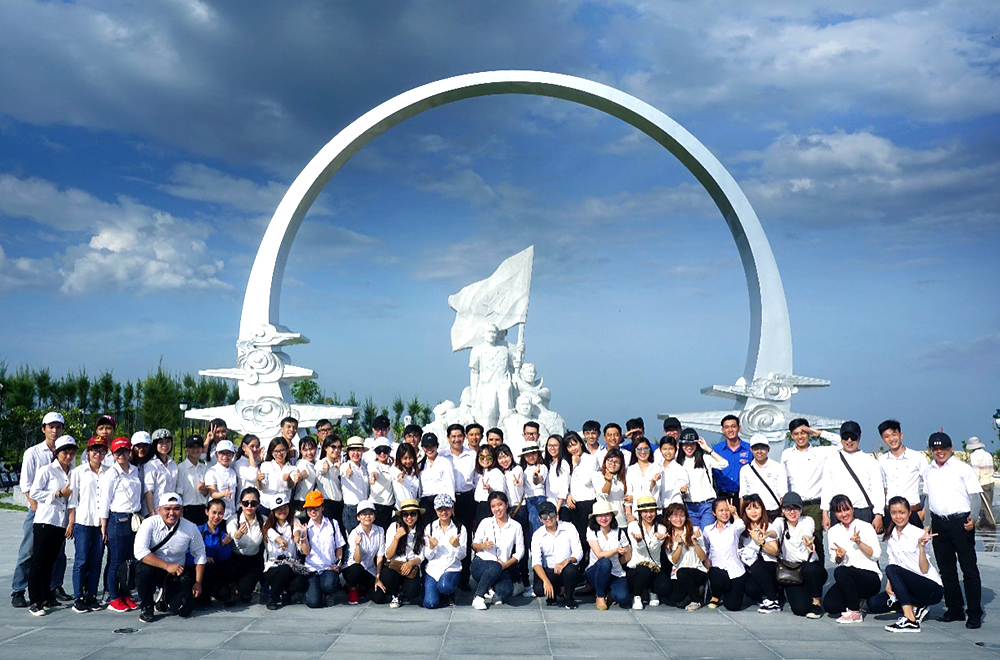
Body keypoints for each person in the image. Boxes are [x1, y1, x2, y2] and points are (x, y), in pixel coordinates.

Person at [925, 431, 983, 628]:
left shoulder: (962, 468)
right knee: (946, 569)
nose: (939, 452)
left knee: (969, 569)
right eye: (935, 448)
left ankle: (974, 612)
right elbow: (928, 498)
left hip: (961, 523)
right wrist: (928, 521)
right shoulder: (929, 470)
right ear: (931, 450)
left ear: (950, 448)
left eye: (943, 448)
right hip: (939, 523)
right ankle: (954, 608)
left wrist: (973, 518)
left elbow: (975, 497)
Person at [12, 412, 70, 609]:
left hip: (59, 515)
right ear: (43, 429)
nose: (55, 430)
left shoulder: (66, 453)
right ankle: (18, 589)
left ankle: (53, 587)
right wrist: (35, 505)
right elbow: (26, 484)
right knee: (30, 552)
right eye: (51, 427)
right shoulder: (33, 452)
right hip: (39, 511)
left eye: (58, 427)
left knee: (57, 554)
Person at [867, 496, 943, 633]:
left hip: (930, 588)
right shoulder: (891, 536)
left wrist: (921, 547)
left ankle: (910, 619)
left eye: (902, 512)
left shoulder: (919, 534)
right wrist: (890, 586)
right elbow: (893, 562)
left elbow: (924, 569)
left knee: (891, 569)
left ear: (909, 513)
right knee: (874, 604)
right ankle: (916, 605)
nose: (898, 516)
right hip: (907, 586)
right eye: (894, 513)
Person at [133, 492, 206, 623]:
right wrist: (167, 566)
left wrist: (198, 583)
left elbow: (200, 554)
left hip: (176, 572)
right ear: (159, 510)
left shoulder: (190, 527)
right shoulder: (149, 523)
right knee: (144, 569)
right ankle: (147, 606)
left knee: (185, 610)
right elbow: (140, 552)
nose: (172, 513)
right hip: (153, 568)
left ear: (182, 510)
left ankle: (164, 597)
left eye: (176, 509)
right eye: (167, 509)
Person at [27, 435, 77, 616]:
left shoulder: (73, 472)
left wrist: (71, 522)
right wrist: (57, 493)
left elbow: (73, 498)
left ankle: (47, 596)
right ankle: (35, 600)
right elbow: (35, 493)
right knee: (39, 561)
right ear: (57, 453)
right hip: (45, 521)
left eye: (72, 453)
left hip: (61, 523)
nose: (68, 456)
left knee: (51, 561)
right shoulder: (47, 470)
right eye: (65, 452)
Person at [781, 418, 843, 558]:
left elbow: (842, 443)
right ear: (791, 436)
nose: (800, 437)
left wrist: (818, 433)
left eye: (803, 432)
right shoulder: (787, 454)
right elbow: (783, 480)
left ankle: (818, 576)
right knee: (794, 540)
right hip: (794, 506)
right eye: (796, 434)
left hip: (814, 506)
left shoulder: (820, 452)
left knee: (816, 541)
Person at [822, 494, 882, 624]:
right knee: (830, 606)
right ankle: (857, 600)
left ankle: (855, 612)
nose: (844, 514)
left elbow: (876, 554)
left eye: (846, 509)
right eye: (839, 511)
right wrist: (839, 556)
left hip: (869, 577)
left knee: (841, 571)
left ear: (852, 509)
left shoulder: (865, 526)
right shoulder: (833, 531)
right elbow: (835, 560)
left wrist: (860, 543)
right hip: (848, 579)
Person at [99, 436, 142, 613]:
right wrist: (104, 525)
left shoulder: (134, 470)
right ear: (113, 454)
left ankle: (126, 593)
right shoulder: (111, 474)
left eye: (124, 451)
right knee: (116, 560)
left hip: (134, 519)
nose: (121, 455)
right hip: (118, 520)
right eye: (118, 452)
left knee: (129, 560)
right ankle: (114, 596)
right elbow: (105, 500)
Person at [67, 436, 108, 613]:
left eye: (101, 451)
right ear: (88, 452)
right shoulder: (78, 472)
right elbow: (72, 500)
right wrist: (71, 521)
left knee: (96, 560)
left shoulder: (109, 471)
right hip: (83, 521)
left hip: (100, 523)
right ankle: (78, 596)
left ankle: (91, 595)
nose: (97, 454)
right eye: (94, 450)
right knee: (81, 560)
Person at [821, 421, 885, 532]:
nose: (849, 440)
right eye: (846, 437)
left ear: (859, 438)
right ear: (841, 438)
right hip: (839, 512)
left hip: (863, 512)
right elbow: (827, 488)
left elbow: (877, 490)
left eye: (853, 437)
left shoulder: (870, 461)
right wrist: (825, 514)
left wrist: (878, 514)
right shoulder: (831, 461)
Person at [772, 492, 826, 618]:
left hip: (810, 568)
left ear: (801, 509)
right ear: (783, 510)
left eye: (796, 508)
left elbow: (807, 532)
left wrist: (807, 539)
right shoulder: (780, 522)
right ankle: (805, 595)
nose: (792, 512)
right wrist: (766, 535)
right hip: (792, 571)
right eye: (788, 509)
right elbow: (774, 531)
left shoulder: (807, 520)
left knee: (810, 568)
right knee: (800, 609)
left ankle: (817, 602)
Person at [470, 491, 523, 610]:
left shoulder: (516, 526)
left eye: (500, 504)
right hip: (481, 564)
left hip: (501, 567)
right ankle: (478, 597)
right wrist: (483, 545)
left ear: (506, 505)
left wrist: (505, 565)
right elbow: (474, 545)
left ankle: (491, 589)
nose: (497, 509)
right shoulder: (485, 522)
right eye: (493, 506)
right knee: (495, 567)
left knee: (506, 591)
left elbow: (520, 551)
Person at [531, 500, 582, 609]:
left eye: (551, 514)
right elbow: (536, 562)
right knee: (539, 589)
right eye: (544, 515)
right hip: (549, 571)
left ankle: (569, 598)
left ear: (557, 514)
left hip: (566, 568)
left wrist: (565, 561)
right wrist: (546, 581)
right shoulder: (537, 535)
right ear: (540, 518)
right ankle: (557, 591)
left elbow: (578, 552)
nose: (548, 518)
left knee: (572, 571)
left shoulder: (569, 528)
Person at [877, 420, 928, 529]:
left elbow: (929, 485)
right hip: (890, 513)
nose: (891, 439)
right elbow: (882, 488)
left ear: (901, 435)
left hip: (912, 512)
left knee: (917, 545)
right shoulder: (882, 460)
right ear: (883, 440)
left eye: (894, 434)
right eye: (886, 436)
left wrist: (924, 512)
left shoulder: (917, 457)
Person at [300, 490, 345, 608]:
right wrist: (304, 536)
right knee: (313, 603)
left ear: (322, 507)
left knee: (329, 584)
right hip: (311, 569)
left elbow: (339, 546)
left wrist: (338, 564)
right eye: (309, 508)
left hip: (328, 567)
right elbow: (305, 552)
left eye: (316, 507)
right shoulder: (304, 527)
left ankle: (328, 592)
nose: (313, 511)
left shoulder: (333, 523)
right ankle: (313, 592)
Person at [444, 423, 476, 590]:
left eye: (459, 436)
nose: (456, 439)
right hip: (447, 501)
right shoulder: (442, 455)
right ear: (448, 438)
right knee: (447, 536)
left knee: (466, 538)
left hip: (467, 499)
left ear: (464, 437)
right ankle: (447, 575)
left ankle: (464, 579)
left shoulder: (472, 455)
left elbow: (477, 478)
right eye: (453, 436)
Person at [676, 428, 728, 529]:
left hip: (707, 505)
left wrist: (707, 448)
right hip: (689, 505)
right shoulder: (678, 462)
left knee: (707, 534)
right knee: (695, 537)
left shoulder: (704, 458)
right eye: (686, 444)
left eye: (692, 444)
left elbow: (724, 464)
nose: (689, 447)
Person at [737, 494, 780, 613]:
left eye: (756, 507)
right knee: (750, 588)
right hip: (751, 569)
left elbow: (774, 551)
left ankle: (773, 600)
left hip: (769, 566)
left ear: (762, 509)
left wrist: (760, 541)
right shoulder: (743, 529)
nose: (753, 512)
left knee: (758, 566)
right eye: (749, 508)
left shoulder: (769, 526)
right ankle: (765, 595)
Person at [261, 501, 308, 610]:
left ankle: (286, 592)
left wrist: (296, 537)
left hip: (292, 565)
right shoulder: (268, 525)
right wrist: (282, 541)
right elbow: (273, 535)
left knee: (300, 582)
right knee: (284, 570)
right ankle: (272, 597)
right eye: (278, 509)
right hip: (274, 567)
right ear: (273, 511)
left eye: (284, 508)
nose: (282, 511)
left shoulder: (295, 521)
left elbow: (297, 530)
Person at [422, 494, 466, 609]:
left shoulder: (460, 528)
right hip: (433, 570)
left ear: (452, 509)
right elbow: (427, 556)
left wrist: (457, 546)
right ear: (436, 510)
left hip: (452, 568)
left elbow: (462, 556)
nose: (444, 512)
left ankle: (448, 592)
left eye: (447, 508)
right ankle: (438, 593)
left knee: (445, 586)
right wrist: (431, 547)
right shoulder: (430, 528)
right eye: (440, 509)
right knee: (430, 604)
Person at [703, 498, 748, 611]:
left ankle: (727, 593)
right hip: (718, 571)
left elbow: (741, 526)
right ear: (714, 513)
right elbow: (706, 549)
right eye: (721, 510)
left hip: (735, 571)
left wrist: (735, 513)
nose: (724, 513)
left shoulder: (733, 528)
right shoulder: (708, 530)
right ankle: (716, 594)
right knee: (718, 577)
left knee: (733, 606)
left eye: (727, 510)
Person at [585, 500, 630, 610]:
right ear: (595, 517)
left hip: (615, 571)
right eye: (599, 515)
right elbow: (599, 555)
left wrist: (621, 558)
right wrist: (616, 551)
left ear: (611, 516)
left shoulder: (619, 532)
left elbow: (628, 555)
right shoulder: (592, 531)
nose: (603, 518)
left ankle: (609, 593)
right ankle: (599, 596)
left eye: (606, 515)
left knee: (623, 598)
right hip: (596, 570)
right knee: (605, 562)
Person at [625, 495, 669, 610]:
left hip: (655, 568)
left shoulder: (661, 528)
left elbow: (654, 550)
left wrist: (656, 539)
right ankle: (637, 596)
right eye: (645, 512)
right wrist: (639, 541)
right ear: (640, 513)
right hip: (637, 568)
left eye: (651, 511)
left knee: (665, 586)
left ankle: (653, 591)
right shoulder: (633, 526)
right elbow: (641, 550)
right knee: (644, 571)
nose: (649, 515)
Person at [663, 502, 708, 611]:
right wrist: (679, 545)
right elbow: (674, 560)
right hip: (678, 574)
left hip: (696, 570)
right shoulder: (668, 535)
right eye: (675, 516)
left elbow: (702, 558)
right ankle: (693, 591)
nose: (678, 519)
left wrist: (695, 541)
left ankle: (695, 600)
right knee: (675, 598)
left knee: (683, 572)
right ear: (669, 518)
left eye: (681, 516)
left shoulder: (695, 531)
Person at [343, 499, 387, 605]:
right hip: (353, 568)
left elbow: (380, 556)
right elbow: (357, 560)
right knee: (357, 569)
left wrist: (377, 578)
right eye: (364, 514)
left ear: (374, 516)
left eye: (370, 513)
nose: (367, 516)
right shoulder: (354, 533)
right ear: (358, 517)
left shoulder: (380, 531)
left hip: (370, 569)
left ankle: (362, 587)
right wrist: (357, 544)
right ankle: (352, 589)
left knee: (380, 597)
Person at [382, 499, 425, 608]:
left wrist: (411, 563)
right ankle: (395, 594)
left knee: (413, 590)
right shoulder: (393, 527)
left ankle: (404, 594)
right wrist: (397, 537)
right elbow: (388, 555)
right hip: (395, 565)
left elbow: (422, 554)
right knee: (386, 576)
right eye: (405, 514)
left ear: (418, 515)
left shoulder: (422, 529)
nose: (409, 517)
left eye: (413, 514)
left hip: (411, 565)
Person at [194, 498, 236, 607]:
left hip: (214, 572)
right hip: (197, 571)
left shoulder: (222, 534)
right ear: (207, 512)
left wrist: (223, 545)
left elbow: (225, 557)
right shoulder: (197, 531)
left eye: (220, 513)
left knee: (225, 594)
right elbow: (188, 552)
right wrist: (203, 558)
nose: (217, 517)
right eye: (214, 512)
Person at [564, 431, 598, 566]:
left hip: (587, 503)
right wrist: (567, 495)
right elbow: (567, 483)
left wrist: (576, 465)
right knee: (577, 540)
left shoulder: (590, 459)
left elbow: (586, 481)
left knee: (587, 539)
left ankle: (589, 569)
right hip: (574, 505)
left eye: (575, 444)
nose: (573, 448)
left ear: (581, 442)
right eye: (569, 446)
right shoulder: (568, 461)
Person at [226, 486, 265, 603]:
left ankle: (244, 589)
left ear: (258, 504)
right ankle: (231, 586)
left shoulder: (263, 520)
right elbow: (233, 534)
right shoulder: (233, 519)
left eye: (253, 503)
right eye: (245, 503)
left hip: (253, 561)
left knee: (245, 590)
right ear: (240, 503)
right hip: (235, 560)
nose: (249, 507)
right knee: (229, 568)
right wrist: (239, 533)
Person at [738, 434, 786, 518]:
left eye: (762, 448)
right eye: (756, 449)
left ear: (768, 449)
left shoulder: (778, 467)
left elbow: (783, 494)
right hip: (753, 515)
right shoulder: (745, 470)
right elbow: (743, 495)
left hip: (773, 513)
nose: (759, 452)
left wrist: (783, 514)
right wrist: (742, 516)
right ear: (751, 450)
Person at [712, 415, 752, 506]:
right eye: (727, 427)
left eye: (733, 426)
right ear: (722, 430)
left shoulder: (749, 449)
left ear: (739, 428)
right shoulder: (716, 449)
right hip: (722, 495)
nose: (730, 430)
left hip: (744, 496)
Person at [417, 433, 454, 529]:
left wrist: (452, 503)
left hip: (441, 501)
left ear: (437, 446)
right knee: (426, 530)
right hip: (425, 502)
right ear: (422, 448)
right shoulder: (421, 464)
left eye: (432, 446)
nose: (429, 449)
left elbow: (450, 483)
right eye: (426, 446)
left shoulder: (444, 462)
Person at [625, 437, 661, 522]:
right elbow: (629, 494)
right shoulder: (630, 470)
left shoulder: (657, 468)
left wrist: (653, 481)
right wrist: (628, 514)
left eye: (646, 449)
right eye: (639, 449)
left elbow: (655, 491)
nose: (642, 452)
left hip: (654, 513)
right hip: (636, 513)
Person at [259, 437, 297, 516]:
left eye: (282, 450)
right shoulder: (266, 465)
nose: (279, 454)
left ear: (287, 450)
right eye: (276, 451)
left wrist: (289, 480)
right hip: (267, 506)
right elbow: (261, 487)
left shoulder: (292, 468)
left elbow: (291, 486)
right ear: (271, 453)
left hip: (283, 507)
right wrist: (258, 480)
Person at [341, 436, 370, 534]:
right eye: (353, 450)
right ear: (348, 452)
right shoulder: (345, 466)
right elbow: (343, 472)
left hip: (364, 508)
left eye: (358, 450)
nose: (356, 453)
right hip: (351, 509)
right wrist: (347, 473)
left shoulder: (364, 468)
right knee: (353, 539)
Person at [177, 435, 209, 526]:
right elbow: (179, 492)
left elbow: (206, 493)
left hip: (202, 509)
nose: (195, 450)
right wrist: (180, 511)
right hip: (187, 510)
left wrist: (203, 489)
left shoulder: (205, 468)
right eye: (192, 447)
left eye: (198, 447)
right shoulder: (181, 468)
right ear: (186, 449)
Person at [473, 445, 507, 528]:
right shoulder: (482, 473)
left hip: (489, 508)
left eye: (488, 457)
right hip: (480, 507)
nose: (485, 460)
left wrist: (490, 489)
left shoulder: (496, 472)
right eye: (481, 457)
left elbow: (501, 493)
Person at [145, 430, 179, 514]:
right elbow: (148, 491)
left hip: (170, 512)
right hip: (156, 511)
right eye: (161, 442)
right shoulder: (151, 465)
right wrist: (152, 514)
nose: (165, 445)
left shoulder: (173, 464)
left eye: (168, 441)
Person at [204, 440, 239, 519]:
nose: (225, 457)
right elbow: (213, 494)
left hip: (231, 513)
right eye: (222, 453)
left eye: (228, 454)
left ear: (233, 455)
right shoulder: (211, 471)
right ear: (217, 455)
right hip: (217, 515)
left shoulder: (233, 472)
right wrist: (223, 494)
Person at [592, 449, 627, 527]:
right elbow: (604, 494)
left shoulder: (623, 478)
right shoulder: (597, 476)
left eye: (617, 462)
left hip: (621, 520)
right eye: (610, 461)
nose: (613, 464)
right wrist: (608, 482)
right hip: (605, 520)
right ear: (605, 461)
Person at [520, 443, 549, 537]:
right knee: (530, 529)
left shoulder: (542, 467)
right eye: (527, 455)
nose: (531, 457)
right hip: (527, 500)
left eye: (533, 453)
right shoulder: (523, 469)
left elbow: (538, 480)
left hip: (538, 498)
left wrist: (535, 476)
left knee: (538, 528)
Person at [367, 440, 396, 531]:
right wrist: (373, 476)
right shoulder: (373, 464)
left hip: (389, 507)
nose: (382, 453)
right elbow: (374, 472)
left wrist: (394, 465)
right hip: (377, 506)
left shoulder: (392, 467)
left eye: (385, 450)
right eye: (379, 451)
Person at [315, 435, 344, 524]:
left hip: (339, 504)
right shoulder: (321, 463)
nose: (336, 450)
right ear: (325, 448)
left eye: (339, 447)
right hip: (327, 504)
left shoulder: (339, 465)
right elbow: (320, 469)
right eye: (333, 447)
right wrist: (324, 468)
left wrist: (339, 469)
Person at [967, 437, 995, 529]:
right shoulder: (988, 455)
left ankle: (990, 524)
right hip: (990, 482)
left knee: (984, 506)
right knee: (988, 503)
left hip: (982, 483)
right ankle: (984, 522)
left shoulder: (974, 456)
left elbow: (975, 473)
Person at [656, 435, 689, 506]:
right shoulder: (656, 467)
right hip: (659, 507)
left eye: (671, 449)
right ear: (660, 450)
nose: (667, 452)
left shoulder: (679, 469)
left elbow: (685, 493)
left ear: (675, 449)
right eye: (664, 449)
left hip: (674, 507)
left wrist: (683, 491)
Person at [543, 434, 570, 517]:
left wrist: (556, 511)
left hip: (560, 507)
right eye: (550, 445)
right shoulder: (548, 464)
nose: (552, 448)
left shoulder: (563, 464)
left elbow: (563, 488)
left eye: (555, 445)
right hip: (549, 506)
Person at [292, 436, 319, 512]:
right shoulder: (302, 463)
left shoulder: (315, 463)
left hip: (311, 501)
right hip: (301, 503)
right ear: (300, 451)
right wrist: (299, 476)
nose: (309, 453)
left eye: (311, 449)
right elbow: (304, 473)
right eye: (305, 450)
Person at [389, 443, 421, 507]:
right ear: (399, 458)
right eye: (405, 458)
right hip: (401, 510)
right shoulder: (394, 470)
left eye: (411, 457)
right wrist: (400, 475)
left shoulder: (415, 474)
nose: (408, 461)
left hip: (414, 510)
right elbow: (395, 472)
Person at [234, 434, 264, 499]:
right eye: (252, 446)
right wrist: (250, 455)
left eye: (257, 446)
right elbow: (252, 476)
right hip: (244, 503)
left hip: (258, 502)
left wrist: (261, 462)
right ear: (244, 447)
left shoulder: (257, 462)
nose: (255, 449)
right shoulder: (239, 464)